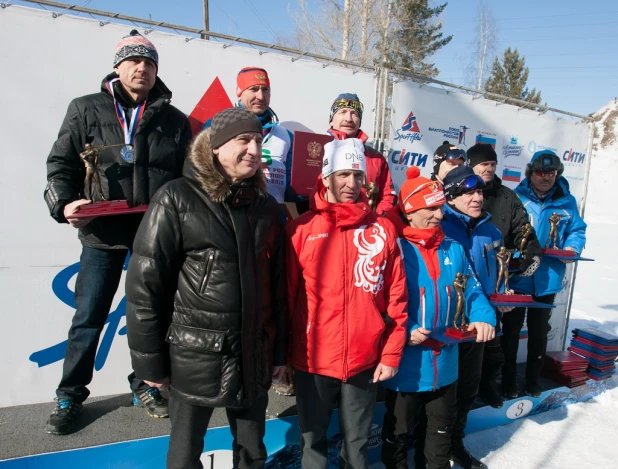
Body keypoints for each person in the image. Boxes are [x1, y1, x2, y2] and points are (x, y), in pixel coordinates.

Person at [43, 30, 192, 435]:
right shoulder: (86, 109)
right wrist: (63, 203)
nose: (141, 68)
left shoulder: (175, 121)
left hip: (153, 235)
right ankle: (70, 393)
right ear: (117, 66)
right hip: (102, 233)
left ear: (157, 69)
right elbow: (60, 164)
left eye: (149, 62)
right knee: (89, 316)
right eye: (133, 61)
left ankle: (145, 384)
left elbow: (187, 179)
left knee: (151, 314)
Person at [125, 107, 288, 469]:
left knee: (253, 455)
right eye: (243, 139)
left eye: (259, 141)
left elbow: (278, 289)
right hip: (193, 357)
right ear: (215, 147)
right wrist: (149, 363)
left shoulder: (268, 209)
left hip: (253, 355)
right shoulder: (176, 198)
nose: (253, 149)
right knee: (184, 457)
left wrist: (278, 354)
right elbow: (144, 289)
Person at [286, 138, 408, 469]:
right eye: (342, 175)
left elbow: (397, 297)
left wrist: (392, 351)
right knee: (312, 443)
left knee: (356, 445)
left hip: (364, 358)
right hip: (312, 359)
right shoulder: (300, 230)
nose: (351, 184)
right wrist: (282, 358)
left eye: (357, 176)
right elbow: (287, 299)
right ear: (325, 179)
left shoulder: (383, 230)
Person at [380, 167, 496, 469]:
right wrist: (406, 331)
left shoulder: (454, 248)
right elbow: (380, 304)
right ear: (410, 211)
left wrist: (484, 316)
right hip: (406, 367)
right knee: (398, 436)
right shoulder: (395, 250)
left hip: (446, 366)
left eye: (441, 207)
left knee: (439, 438)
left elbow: (471, 290)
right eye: (431, 208)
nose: (439, 215)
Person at [504, 150, 587, 398]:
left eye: (551, 172)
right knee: (509, 333)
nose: (546, 177)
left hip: (548, 279)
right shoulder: (516, 197)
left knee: (539, 335)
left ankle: (532, 382)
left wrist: (572, 247)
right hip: (518, 279)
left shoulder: (567, 201)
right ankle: (508, 382)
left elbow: (577, 230)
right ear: (531, 173)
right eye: (541, 172)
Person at [439, 165, 505, 469]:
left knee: (467, 390)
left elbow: (496, 275)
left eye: (479, 191)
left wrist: (502, 298)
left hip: (477, 326)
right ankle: (431, 448)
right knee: (439, 396)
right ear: (451, 196)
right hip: (444, 327)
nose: (477, 197)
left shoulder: (491, 231)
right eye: (468, 192)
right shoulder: (437, 223)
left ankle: (455, 443)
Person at [467, 143, 543, 407]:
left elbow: (522, 227)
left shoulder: (507, 197)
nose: (489, 169)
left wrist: (531, 248)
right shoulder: (462, 193)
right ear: (471, 165)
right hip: (464, 278)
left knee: (494, 342)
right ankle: (463, 390)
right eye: (483, 164)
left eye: (492, 164)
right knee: (467, 339)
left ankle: (488, 385)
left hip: (498, 281)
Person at [327, 93, 396, 216]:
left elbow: (387, 195)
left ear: (359, 121)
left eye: (354, 114)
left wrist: (375, 218)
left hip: (366, 227)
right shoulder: (318, 151)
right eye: (342, 112)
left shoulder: (375, 157)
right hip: (329, 226)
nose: (348, 118)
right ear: (331, 120)